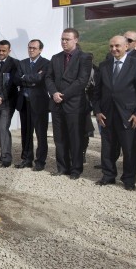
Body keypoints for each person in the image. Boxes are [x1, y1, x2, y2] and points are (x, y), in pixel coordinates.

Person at [92, 35, 136, 190]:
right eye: (111, 46)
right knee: (108, 148)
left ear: (126, 47)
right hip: (107, 115)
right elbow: (96, 93)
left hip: (129, 116)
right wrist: (97, 111)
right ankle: (108, 175)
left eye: (117, 46)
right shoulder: (104, 65)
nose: (114, 49)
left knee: (130, 149)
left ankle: (129, 179)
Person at [45, 28, 92, 180]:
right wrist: (54, 93)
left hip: (74, 104)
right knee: (59, 138)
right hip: (57, 104)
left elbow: (82, 81)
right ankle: (62, 167)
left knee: (75, 138)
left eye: (67, 39)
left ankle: (76, 169)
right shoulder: (56, 57)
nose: (64, 42)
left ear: (76, 40)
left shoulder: (84, 57)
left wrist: (63, 95)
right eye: (62, 39)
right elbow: (48, 78)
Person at [15, 39, 50, 171]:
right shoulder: (22, 63)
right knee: (26, 133)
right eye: (29, 47)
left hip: (39, 104)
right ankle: (27, 159)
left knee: (41, 134)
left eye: (34, 48)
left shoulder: (46, 63)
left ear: (40, 50)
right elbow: (17, 80)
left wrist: (26, 77)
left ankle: (40, 162)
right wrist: (32, 78)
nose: (31, 50)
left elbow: (41, 79)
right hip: (24, 103)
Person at [0, 40, 19, 167]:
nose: (0, 53)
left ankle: (7, 158)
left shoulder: (15, 64)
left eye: (3, 51)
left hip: (8, 102)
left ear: (9, 51)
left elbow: (12, 84)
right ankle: (2, 154)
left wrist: (1, 97)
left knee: (3, 128)